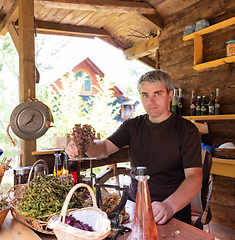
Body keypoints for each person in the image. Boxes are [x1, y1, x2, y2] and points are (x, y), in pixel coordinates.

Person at [65, 69, 202, 225]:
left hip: (172, 209)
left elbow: (195, 177)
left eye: (157, 94)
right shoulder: (132, 125)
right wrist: (81, 144)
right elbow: (103, 148)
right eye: (145, 95)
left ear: (170, 95)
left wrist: (169, 206)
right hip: (134, 204)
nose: (151, 100)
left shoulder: (187, 130)